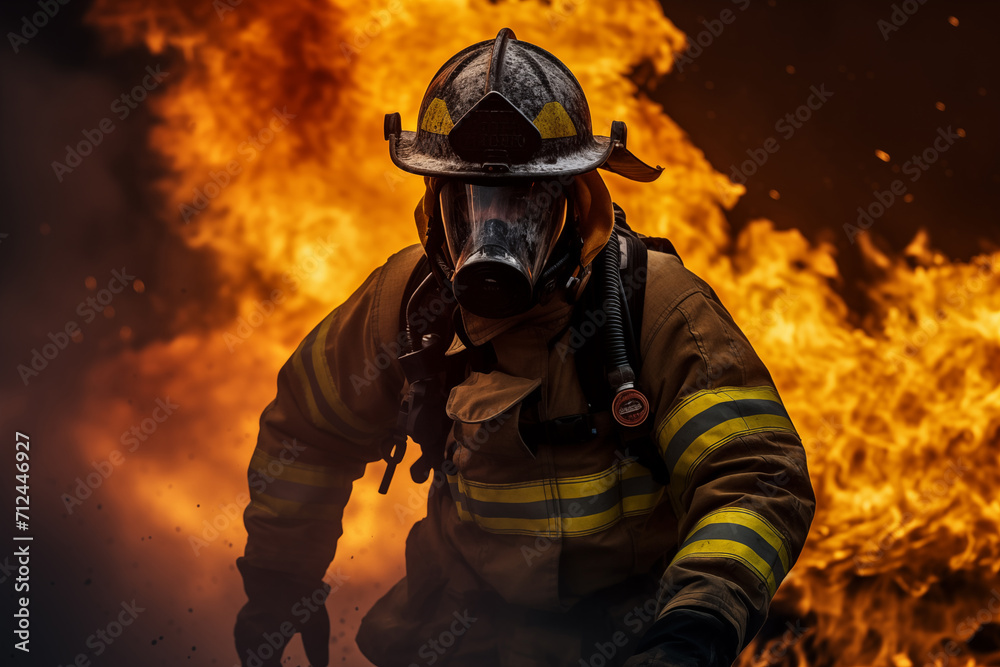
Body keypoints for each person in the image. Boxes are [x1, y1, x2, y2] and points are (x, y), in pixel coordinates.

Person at [234, 28, 815, 667]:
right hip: (462, 640)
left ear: (574, 196)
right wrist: (280, 581)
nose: (495, 231)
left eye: (526, 200)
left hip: (633, 639)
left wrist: (696, 626)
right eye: (471, 200)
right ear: (435, 199)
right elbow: (309, 431)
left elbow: (754, 477)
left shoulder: (655, 307)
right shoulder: (406, 303)